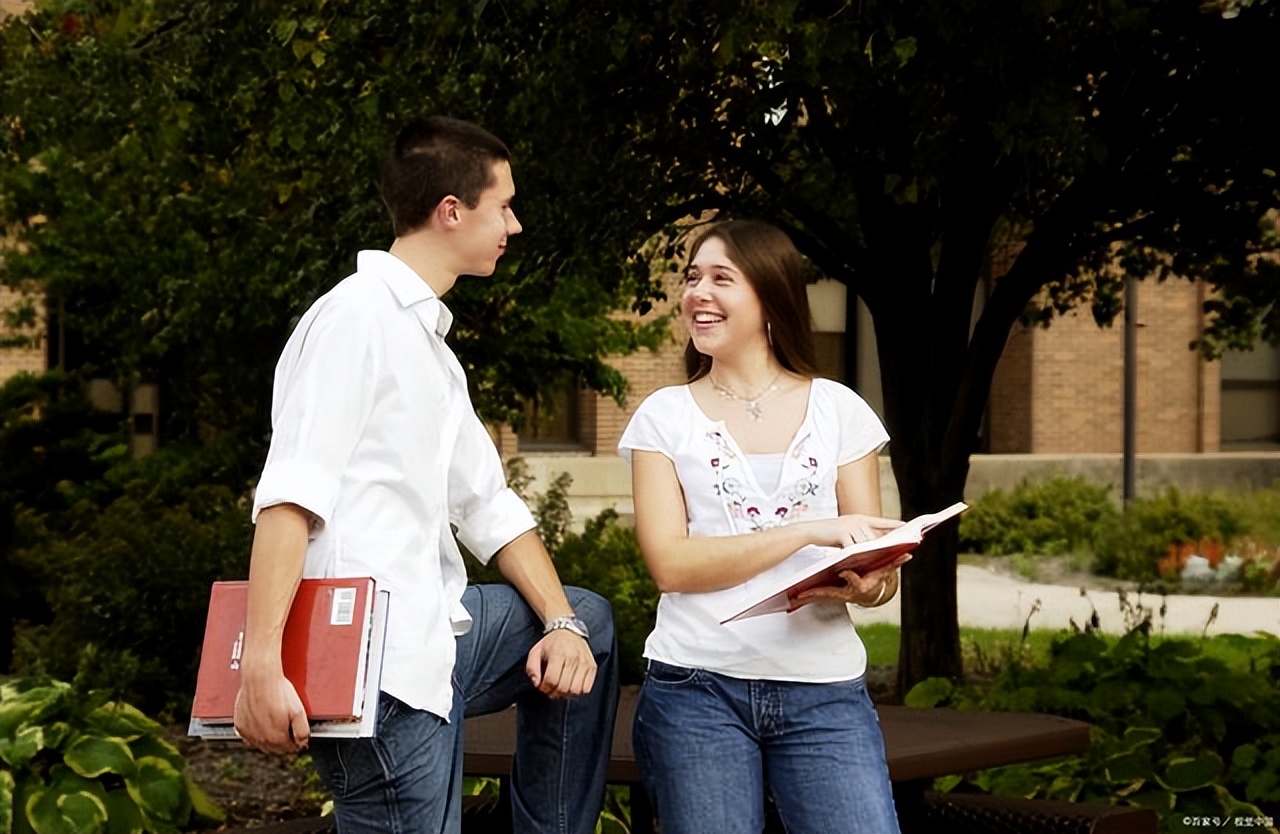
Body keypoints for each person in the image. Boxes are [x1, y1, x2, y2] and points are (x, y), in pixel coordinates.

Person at [234, 116, 619, 834]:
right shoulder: (354, 321)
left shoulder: (429, 349)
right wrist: (260, 662)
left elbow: (488, 506)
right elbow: (291, 498)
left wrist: (560, 622)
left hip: (433, 638)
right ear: (451, 210)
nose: (516, 223)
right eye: (502, 205)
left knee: (588, 621)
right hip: (373, 673)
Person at [618, 220, 906, 834]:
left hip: (825, 689)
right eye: (693, 277)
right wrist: (806, 533)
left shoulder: (840, 409)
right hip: (697, 689)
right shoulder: (663, 417)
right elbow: (671, 565)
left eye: (722, 278)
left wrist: (869, 584)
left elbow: (876, 569)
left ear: (771, 295)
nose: (699, 292)